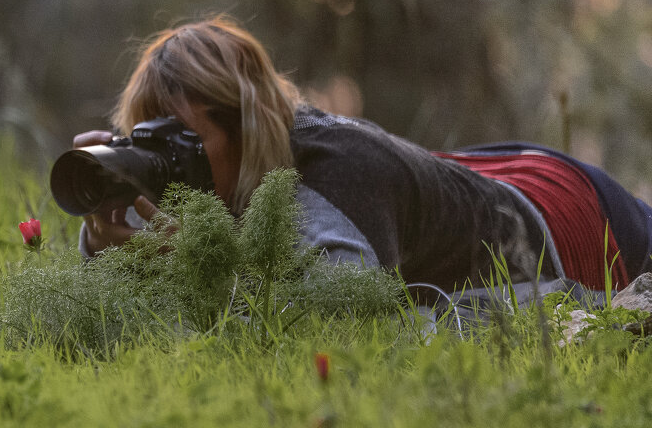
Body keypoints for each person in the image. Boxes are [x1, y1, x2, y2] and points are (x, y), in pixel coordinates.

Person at [74, 16, 652, 297]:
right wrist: (106, 227)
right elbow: (121, 314)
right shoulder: (249, 174)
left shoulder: (330, 184)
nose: (171, 164)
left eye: (184, 141)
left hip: (570, 214)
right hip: (458, 180)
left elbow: (331, 319)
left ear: (248, 128)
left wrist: (205, 271)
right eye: (152, 141)